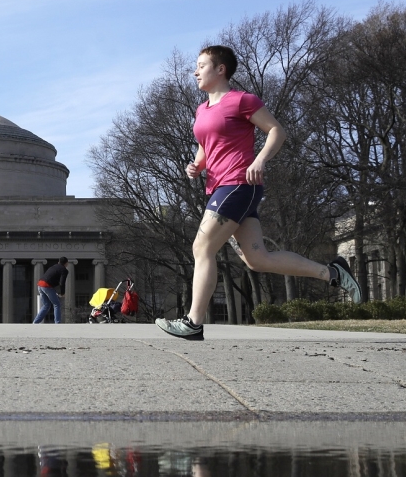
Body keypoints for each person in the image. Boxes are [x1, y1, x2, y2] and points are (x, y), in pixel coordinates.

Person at [155, 45, 362, 341]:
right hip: (220, 187)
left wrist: (260, 160)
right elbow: (206, 144)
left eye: (201, 66)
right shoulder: (202, 109)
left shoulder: (242, 100)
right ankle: (332, 273)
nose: (195, 71)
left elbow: (276, 130)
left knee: (202, 248)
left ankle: (193, 322)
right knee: (257, 259)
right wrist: (197, 165)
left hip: (238, 184)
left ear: (220, 69)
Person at [33, 257, 68, 324]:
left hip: (40, 284)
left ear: (58, 262)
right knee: (57, 304)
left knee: (46, 305)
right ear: (66, 263)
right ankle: (57, 323)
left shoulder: (54, 266)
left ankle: (35, 322)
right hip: (47, 286)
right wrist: (62, 293)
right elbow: (62, 282)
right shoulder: (64, 270)